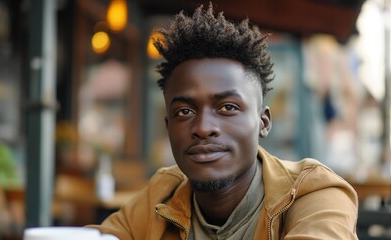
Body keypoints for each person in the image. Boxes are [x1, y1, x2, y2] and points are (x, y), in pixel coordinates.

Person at [86, 3, 358, 239]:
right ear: (169, 128)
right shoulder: (163, 193)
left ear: (263, 122)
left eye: (228, 107)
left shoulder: (313, 193)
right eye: (184, 112)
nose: (203, 127)